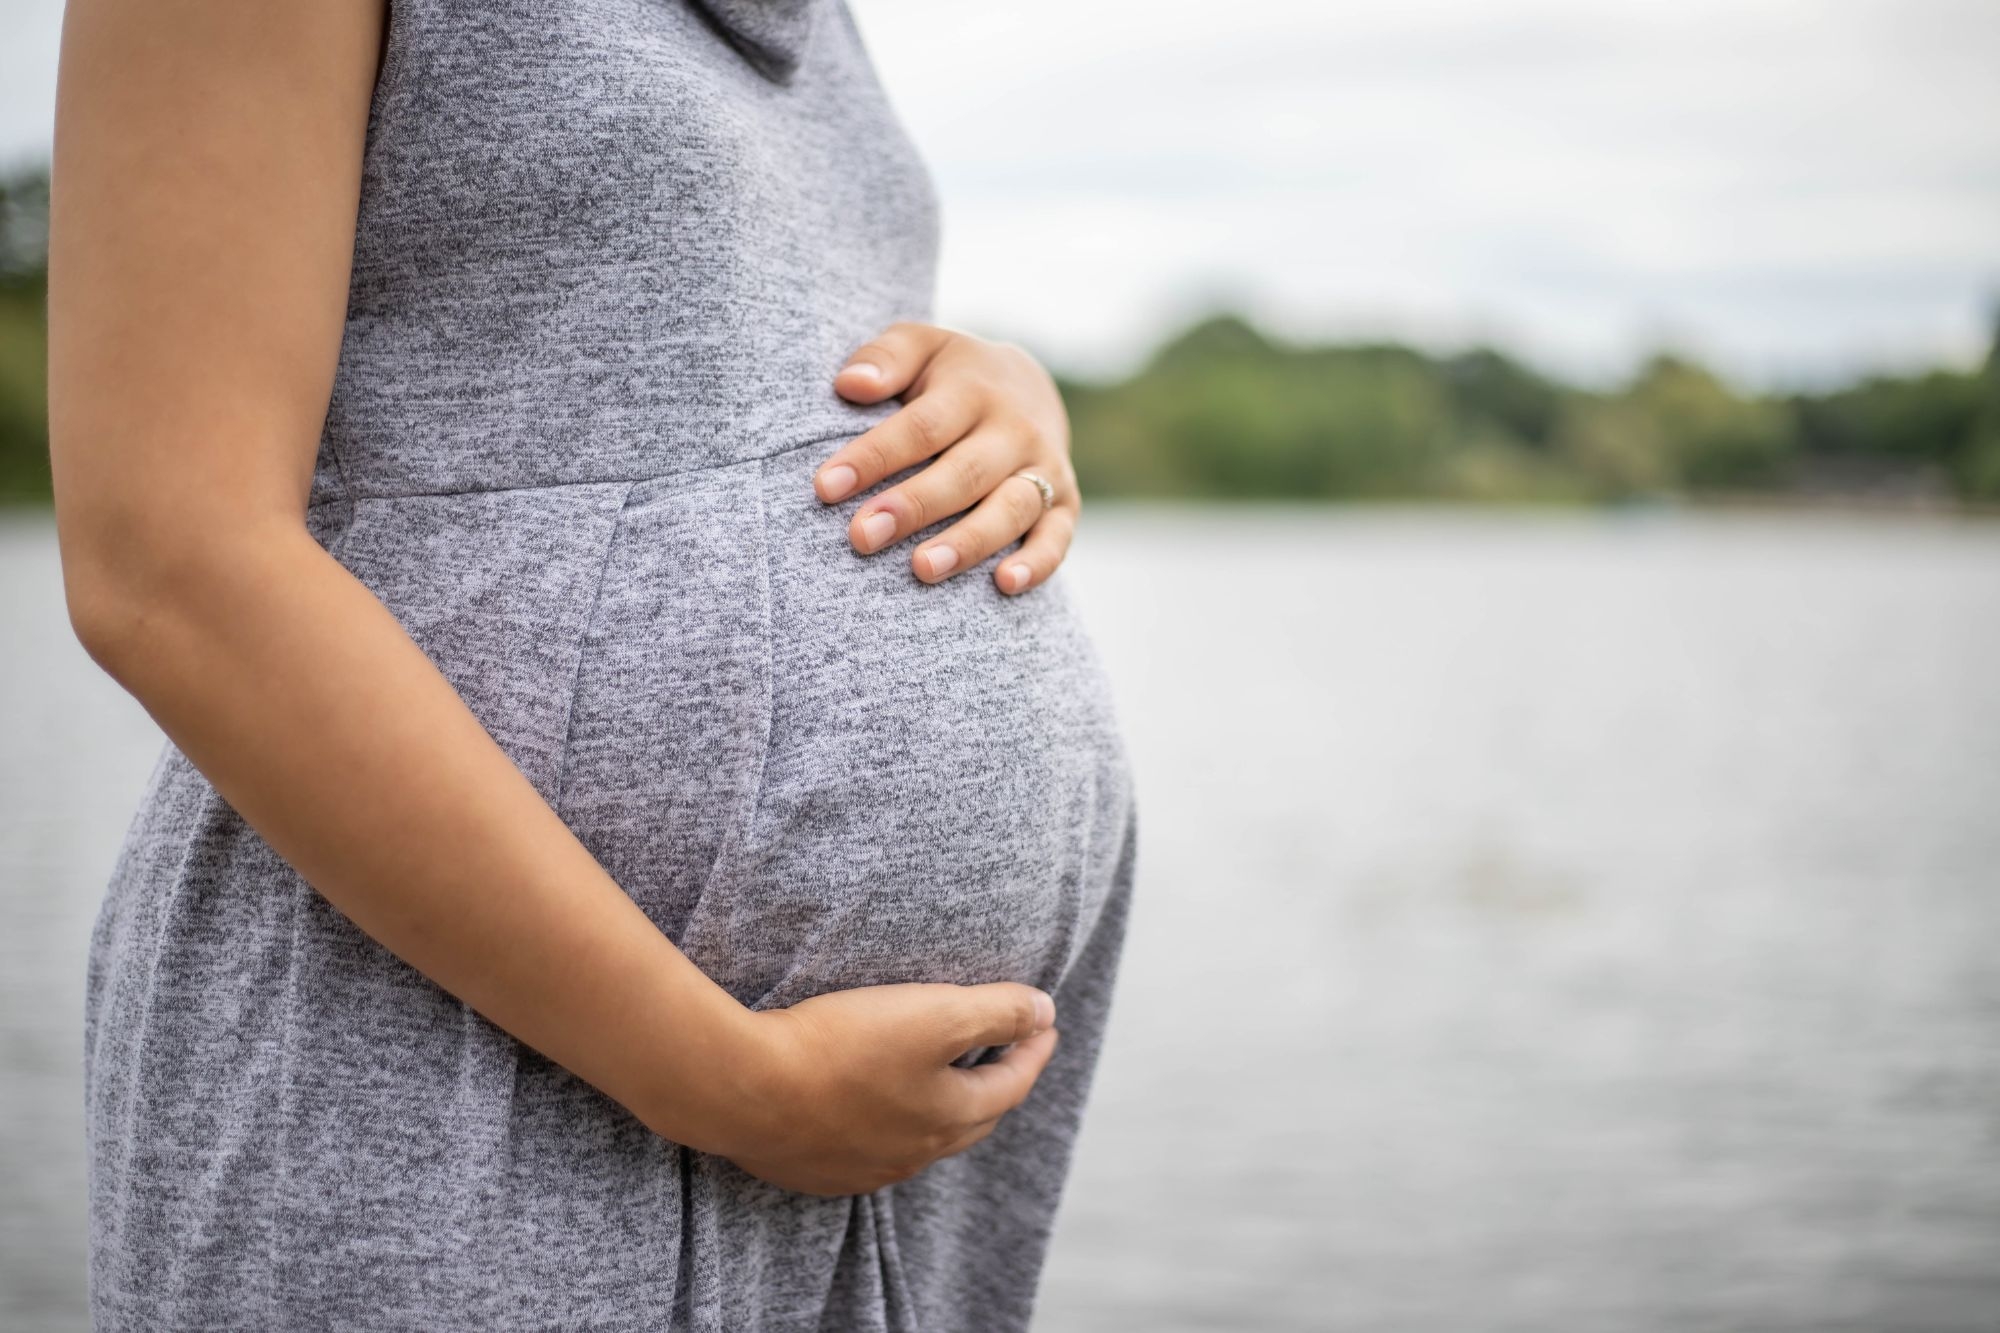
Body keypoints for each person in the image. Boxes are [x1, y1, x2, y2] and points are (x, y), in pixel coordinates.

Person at [46, 0, 1138, 1328]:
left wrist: (993, 393)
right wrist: (725, 1079)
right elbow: (170, 563)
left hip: (874, 1168)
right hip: (457, 1061)